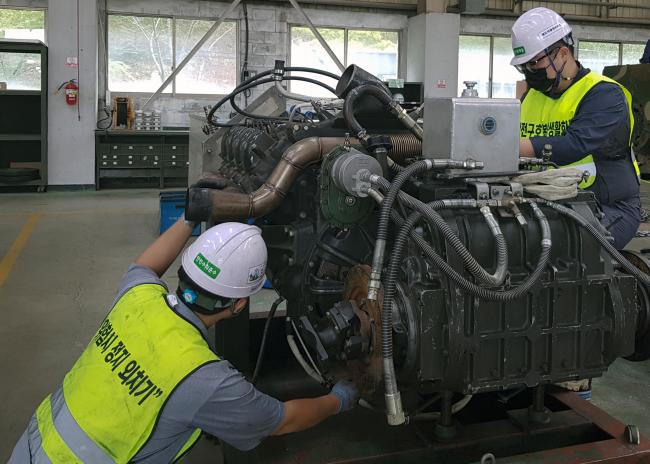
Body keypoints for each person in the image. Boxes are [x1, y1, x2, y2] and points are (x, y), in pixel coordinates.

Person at [9, 218, 359, 463]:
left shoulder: (138, 298)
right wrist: (339, 399)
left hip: (33, 447)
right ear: (239, 305)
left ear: (185, 271)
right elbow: (283, 420)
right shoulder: (205, 380)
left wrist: (190, 218)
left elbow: (144, 266)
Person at [511, 7, 641, 249]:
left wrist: (505, 147)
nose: (530, 73)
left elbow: (575, 144)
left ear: (562, 54)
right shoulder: (532, 96)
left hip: (606, 207)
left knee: (551, 252)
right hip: (547, 199)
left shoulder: (604, 94)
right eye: (524, 67)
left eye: (535, 64)